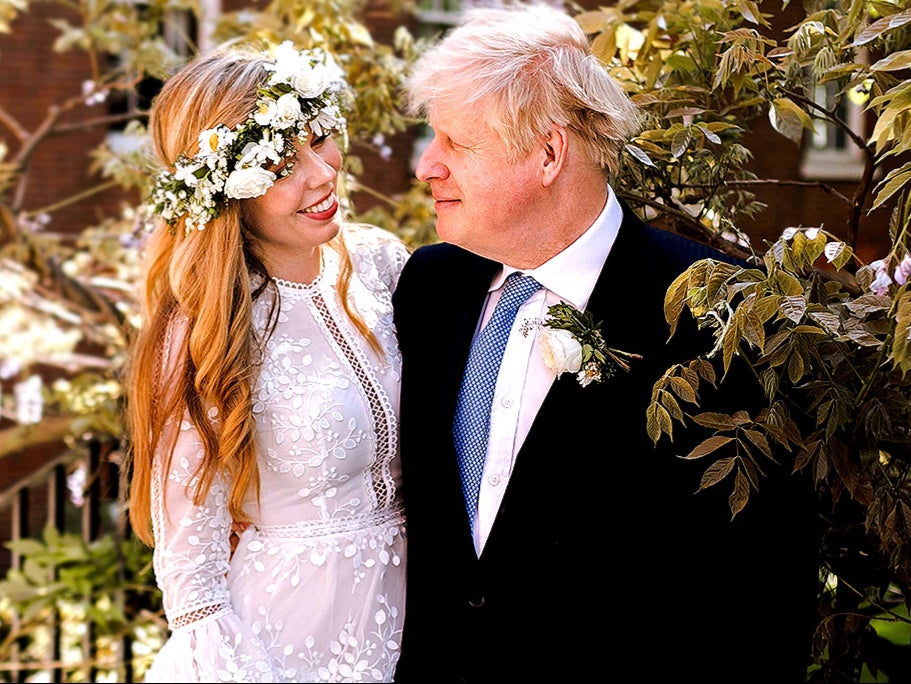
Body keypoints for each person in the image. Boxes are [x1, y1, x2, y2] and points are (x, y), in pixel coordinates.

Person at [391, 3, 820, 682]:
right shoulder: (429, 287)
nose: (427, 167)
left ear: (548, 153)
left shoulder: (720, 312)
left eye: (455, 143)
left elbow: (765, 587)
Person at [124, 39, 409, 683]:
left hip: (417, 618)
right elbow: (193, 575)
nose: (321, 173)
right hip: (286, 639)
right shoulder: (203, 328)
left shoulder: (383, 264)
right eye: (283, 163)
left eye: (318, 138)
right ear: (228, 188)